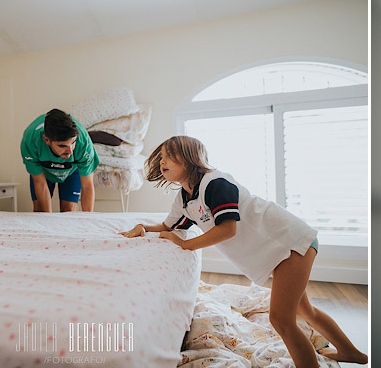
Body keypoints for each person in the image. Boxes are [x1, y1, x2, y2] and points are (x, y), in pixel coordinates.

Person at [118, 136, 367, 368]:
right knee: (305, 311)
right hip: (279, 251)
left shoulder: (216, 183)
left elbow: (227, 230)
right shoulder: (185, 197)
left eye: (169, 155)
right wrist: (143, 228)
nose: (162, 161)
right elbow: (168, 226)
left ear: (189, 158)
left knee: (281, 320)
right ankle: (351, 353)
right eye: (161, 156)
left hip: (290, 242)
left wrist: (184, 244)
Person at [20, 109, 99, 212]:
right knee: (40, 212)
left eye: (73, 143)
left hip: (71, 171)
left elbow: (87, 185)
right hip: (44, 172)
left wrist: (88, 223)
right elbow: (40, 183)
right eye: (62, 146)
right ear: (46, 140)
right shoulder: (30, 141)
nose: (70, 151)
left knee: (69, 210)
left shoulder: (83, 142)